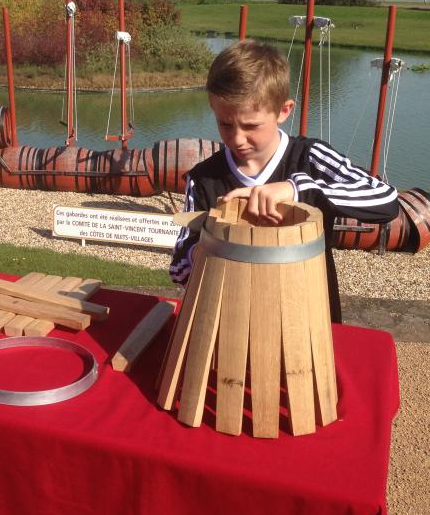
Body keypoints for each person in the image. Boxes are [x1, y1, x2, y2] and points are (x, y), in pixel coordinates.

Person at [169, 40, 399, 322]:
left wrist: (298, 189)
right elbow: (178, 269)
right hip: (232, 323)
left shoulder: (311, 157)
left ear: (284, 111)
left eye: (251, 126)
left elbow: (386, 201)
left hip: (309, 321)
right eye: (225, 124)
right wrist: (212, 247)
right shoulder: (203, 178)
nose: (237, 138)